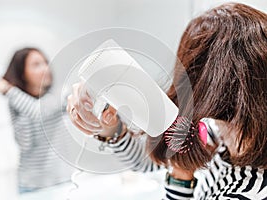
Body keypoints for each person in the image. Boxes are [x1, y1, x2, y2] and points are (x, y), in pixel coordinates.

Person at [67, 3, 267, 199]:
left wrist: (180, 178)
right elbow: (147, 161)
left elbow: (170, 163)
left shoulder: (248, 191)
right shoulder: (221, 133)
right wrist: (110, 128)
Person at [0, 47, 74, 193]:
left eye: (45, 62)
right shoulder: (16, 104)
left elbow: (37, 111)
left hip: (61, 182)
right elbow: (25, 143)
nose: (45, 68)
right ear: (22, 73)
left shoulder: (60, 94)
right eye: (36, 65)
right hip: (28, 185)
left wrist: (3, 87)